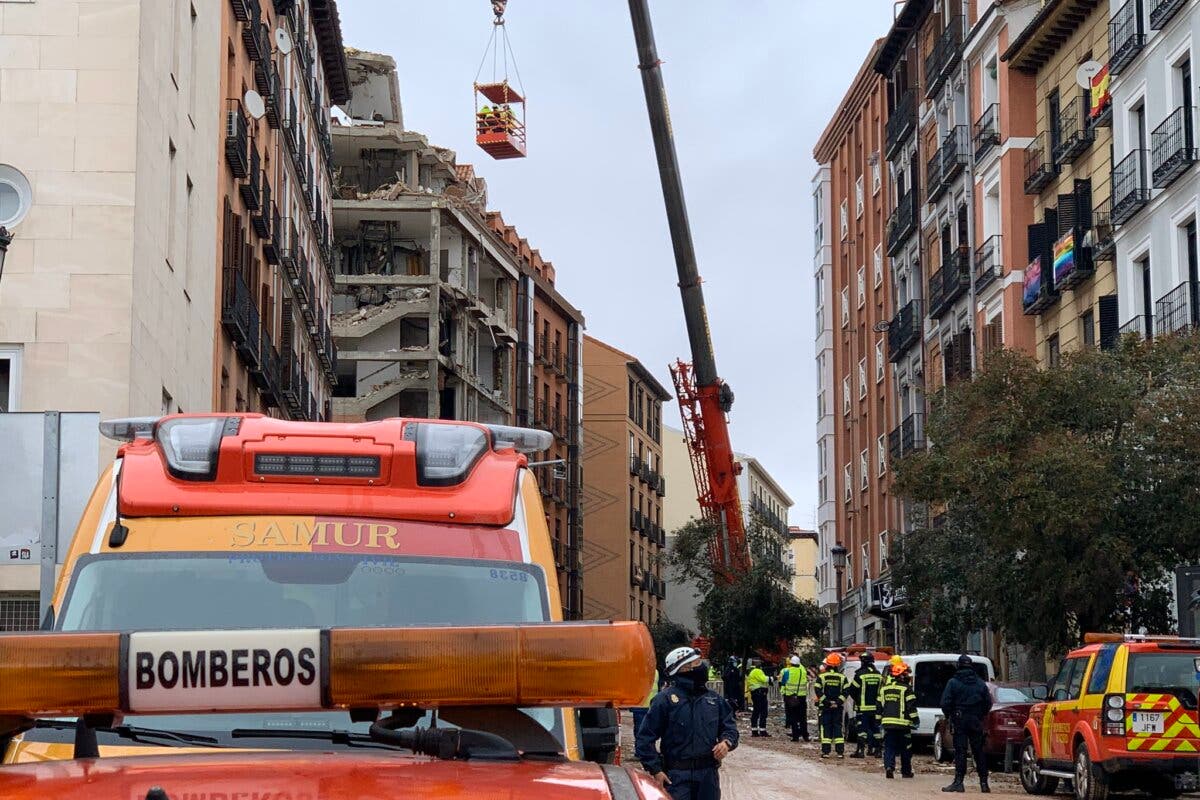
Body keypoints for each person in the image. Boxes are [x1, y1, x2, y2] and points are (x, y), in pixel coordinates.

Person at [636, 646, 738, 800]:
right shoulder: (664, 700)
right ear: (684, 669)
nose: (702, 667)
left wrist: (726, 742)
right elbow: (644, 739)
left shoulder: (714, 699)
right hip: (676, 778)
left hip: (707, 777)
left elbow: (730, 728)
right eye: (697, 663)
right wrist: (656, 770)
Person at [940, 654, 993, 793]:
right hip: (975, 720)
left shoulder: (953, 682)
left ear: (959, 666)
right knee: (979, 751)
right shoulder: (980, 683)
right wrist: (979, 715)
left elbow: (945, 703)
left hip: (960, 720)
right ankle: (984, 783)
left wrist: (950, 715)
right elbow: (988, 702)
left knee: (960, 751)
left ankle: (959, 782)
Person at [879, 662, 918, 779]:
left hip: (888, 724)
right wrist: (915, 720)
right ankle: (906, 771)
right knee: (906, 749)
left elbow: (879, 706)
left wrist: (878, 721)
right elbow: (911, 707)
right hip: (903, 725)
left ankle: (889, 767)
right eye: (906, 674)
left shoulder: (884, 689)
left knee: (889, 747)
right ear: (901, 675)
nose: (908, 676)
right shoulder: (907, 689)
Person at [846, 651, 883, 758]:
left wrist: (857, 700)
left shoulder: (860, 675)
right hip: (876, 708)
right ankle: (878, 751)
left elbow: (852, 690)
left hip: (863, 708)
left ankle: (860, 751)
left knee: (862, 730)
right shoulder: (878, 675)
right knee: (876, 730)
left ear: (863, 662)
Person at [814, 653, 848, 759]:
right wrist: (837, 702)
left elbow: (818, 690)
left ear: (827, 664)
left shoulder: (822, 677)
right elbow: (846, 691)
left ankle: (826, 752)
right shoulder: (842, 677)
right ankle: (840, 752)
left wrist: (827, 702)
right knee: (838, 727)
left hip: (825, 707)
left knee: (826, 728)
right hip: (837, 708)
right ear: (838, 665)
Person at [779, 655, 810, 742]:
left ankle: (795, 736)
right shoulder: (803, 671)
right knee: (803, 718)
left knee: (793, 718)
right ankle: (805, 736)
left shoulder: (787, 671)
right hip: (802, 697)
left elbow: (783, 683)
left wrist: (783, 693)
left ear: (791, 663)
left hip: (790, 697)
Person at [745, 659, 770, 737]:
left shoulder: (752, 672)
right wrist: (773, 678)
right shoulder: (757, 671)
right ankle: (762, 730)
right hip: (760, 694)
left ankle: (754, 730)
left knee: (756, 711)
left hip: (756, 693)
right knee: (763, 712)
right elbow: (764, 679)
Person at [630, 668, 659, 736]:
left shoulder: (636, 671)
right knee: (650, 730)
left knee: (640, 730)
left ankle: (640, 745)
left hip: (640, 705)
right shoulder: (656, 671)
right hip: (651, 706)